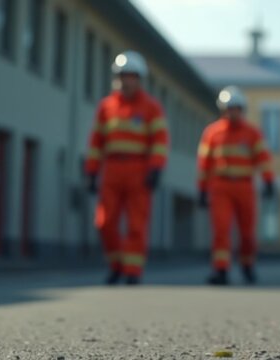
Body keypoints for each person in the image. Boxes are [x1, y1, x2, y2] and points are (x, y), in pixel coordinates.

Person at [85, 51, 168, 285]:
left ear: (139, 79)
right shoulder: (106, 107)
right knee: (105, 222)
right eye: (123, 76)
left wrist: (155, 169)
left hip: (138, 170)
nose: (126, 80)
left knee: (136, 223)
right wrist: (91, 171)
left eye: (131, 76)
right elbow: (96, 142)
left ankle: (133, 270)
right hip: (111, 169)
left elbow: (160, 141)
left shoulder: (151, 108)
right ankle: (116, 265)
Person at [197, 86, 277, 285]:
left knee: (247, 232)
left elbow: (263, 159)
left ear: (242, 109)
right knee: (221, 230)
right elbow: (204, 164)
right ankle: (221, 269)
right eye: (229, 108)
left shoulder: (252, 133)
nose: (233, 112)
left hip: (244, 187)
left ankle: (247, 265)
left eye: (236, 108)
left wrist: (268, 180)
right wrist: (201, 188)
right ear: (223, 110)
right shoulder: (212, 133)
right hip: (220, 187)